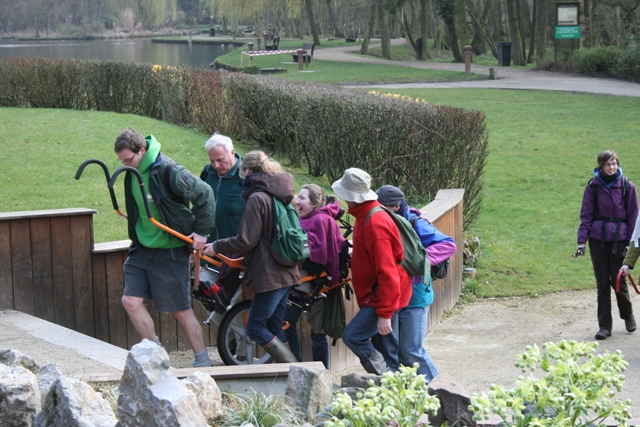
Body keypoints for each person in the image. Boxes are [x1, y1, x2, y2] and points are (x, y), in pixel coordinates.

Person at [114, 127, 215, 367]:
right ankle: (157, 354)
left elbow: (205, 193)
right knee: (130, 301)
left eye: (129, 160)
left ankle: (203, 361)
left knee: (180, 310)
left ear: (143, 150)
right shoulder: (132, 170)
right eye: (122, 161)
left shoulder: (169, 170)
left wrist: (202, 232)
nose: (126, 165)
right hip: (142, 248)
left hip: (169, 249)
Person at [204, 150, 299, 363]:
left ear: (246, 171)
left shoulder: (257, 198)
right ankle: (293, 373)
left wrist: (217, 246)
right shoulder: (281, 194)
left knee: (256, 327)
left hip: (270, 274)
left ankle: (295, 369)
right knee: (274, 326)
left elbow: (246, 240)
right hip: (287, 270)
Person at [331, 168, 412, 375]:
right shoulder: (364, 215)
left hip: (385, 296)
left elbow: (388, 271)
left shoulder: (375, 222)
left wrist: (385, 313)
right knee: (387, 350)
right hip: (383, 295)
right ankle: (391, 387)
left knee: (353, 336)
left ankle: (388, 381)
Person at [376, 184, 457, 382]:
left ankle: (441, 389)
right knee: (398, 353)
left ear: (395, 207)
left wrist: (417, 259)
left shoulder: (415, 222)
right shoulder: (387, 221)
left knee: (411, 350)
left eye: (381, 207)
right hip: (396, 297)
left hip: (416, 297)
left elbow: (449, 245)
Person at [576, 150, 639, 340]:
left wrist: (631, 243)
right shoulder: (592, 187)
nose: (612, 167)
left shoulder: (628, 187)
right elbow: (586, 215)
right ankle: (604, 326)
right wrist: (581, 242)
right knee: (602, 283)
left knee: (617, 279)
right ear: (600, 166)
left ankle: (627, 315)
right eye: (608, 164)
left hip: (620, 240)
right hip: (598, 240)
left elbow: (634, 217)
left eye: (615, 164)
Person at [284, 184, 346, 369]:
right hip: (304, 281)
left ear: (314, 203)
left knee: (315, 332)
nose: (297, 200)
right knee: (288, 323)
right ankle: (297, 368)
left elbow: (318, 254)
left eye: (302, 198)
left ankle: (320, 373)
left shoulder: (320, 220)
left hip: (317, 282)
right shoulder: (308, 217)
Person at [198, 133, 244, 309]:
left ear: (232, 153)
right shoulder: (207, 172)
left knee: (237, 310)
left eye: (220, 160)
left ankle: (237, 336)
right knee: (211, 304)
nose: (216, 165)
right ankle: (229, 336)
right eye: (212, 161)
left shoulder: (246, 176)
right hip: (209, 255)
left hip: (235, 259)